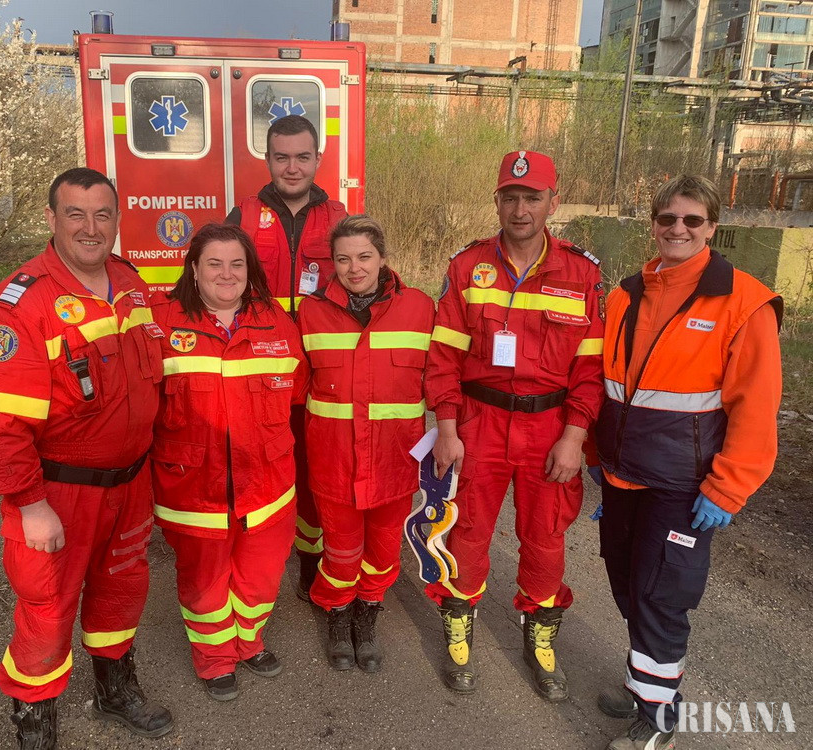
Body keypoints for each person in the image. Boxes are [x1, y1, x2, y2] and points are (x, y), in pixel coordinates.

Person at [0, 167, 173, 748]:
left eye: (102, 214)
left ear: (117, 220)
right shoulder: (20, 305)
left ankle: (115, 688)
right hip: (58, 492)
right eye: (75, 214)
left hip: (130, 482)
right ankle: (35, 719)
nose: (90, 227)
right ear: (51, 219)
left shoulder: (129, 283)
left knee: (122, 588)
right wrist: (29, 504)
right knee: (47, 606)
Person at [591, 175, 783, 750]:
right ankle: (645, 686)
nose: (678, 229)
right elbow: (609, 386)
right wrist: (598, 457)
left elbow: (756, 405)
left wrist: (727, 488)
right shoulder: (626, 294)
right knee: (628, 585)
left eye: (692, 220)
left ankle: (659, 721)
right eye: (667, 218)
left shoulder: (744, 302)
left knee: (661, 597)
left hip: (684, 486)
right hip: (622, 476)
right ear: (653, 224)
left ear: (712, 227)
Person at [424, 150, 605, 700]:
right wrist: (447, 428)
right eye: (510, 197)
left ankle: (540, 633)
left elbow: (591, 369)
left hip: (550, 427)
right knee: (466, 529)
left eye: (532, 198)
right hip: (478, 421)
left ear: (553, 202)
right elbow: (443, 358)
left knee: (545, 536)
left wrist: (575, 436)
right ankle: (460, 625)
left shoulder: (581, 273)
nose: (520, 209)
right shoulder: (467, 267)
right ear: (497, 201)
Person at [149, 223, 310, 701]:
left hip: (267, 483)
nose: (226, 274)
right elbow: (141, 406)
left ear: (250, 269)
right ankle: (215, 657)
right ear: (194, 269)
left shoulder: (276, 323)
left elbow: (296, 394)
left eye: (237, 264)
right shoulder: (160, 324)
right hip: (193, 487)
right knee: (204, 581)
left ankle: (249, 640)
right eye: (214, 263)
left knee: (261, 576)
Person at [297, 215, 435, 672]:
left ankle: (367, 612)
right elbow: (294, 386)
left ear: (382, 257)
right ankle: (338, 613)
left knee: (382, 552)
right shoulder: (310, 312)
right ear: (332, 262)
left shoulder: (421, 308)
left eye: (364, 256)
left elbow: (443, 378)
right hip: (334, 459)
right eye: (343, 259)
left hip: (395, 459)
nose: (354, 268)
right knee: (340, 552)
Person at [226, 114, 347, 599]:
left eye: (302, 157)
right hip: (262, 373)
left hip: (322, 371)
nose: (292, 167)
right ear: (267, 160)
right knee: (262, 468)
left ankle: (310, 560)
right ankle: (255, 562)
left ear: (318, 159)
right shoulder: (242, 217)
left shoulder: (339, 218)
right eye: (281, 157)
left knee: (316, 471)